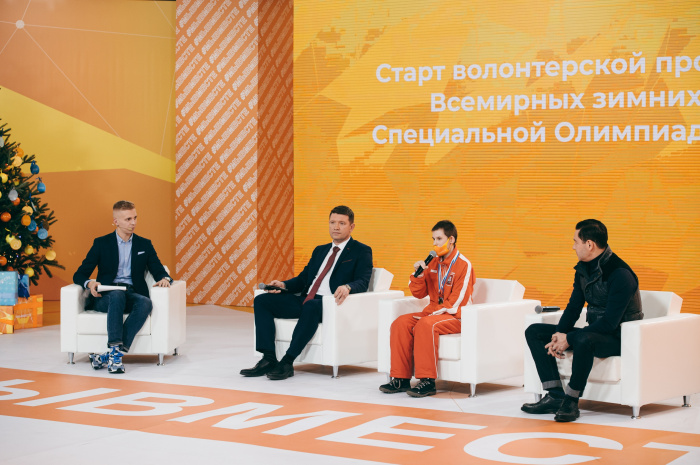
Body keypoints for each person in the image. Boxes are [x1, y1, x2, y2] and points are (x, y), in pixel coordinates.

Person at [521, 219, 642, 422]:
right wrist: (560, 334)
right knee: (534, 331)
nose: (573, 246)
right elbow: (574, 307)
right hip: (595, 332)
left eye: (576, 241)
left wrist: (569, 338)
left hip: (619, 338)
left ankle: (571, 401)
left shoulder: (620, 274)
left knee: (583, 339)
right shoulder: (584, 269)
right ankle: (555, 396)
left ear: (589, 244)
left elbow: (610, 323)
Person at [241, 205, 373, 380]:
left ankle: (287, 361)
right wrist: (283, 284)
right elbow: (304, 279)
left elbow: (363, 281)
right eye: (332, 222)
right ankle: (268, 359)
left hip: (330, 303)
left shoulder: (361, 250)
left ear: (351, 227)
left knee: (311, 306)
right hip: (306, 299)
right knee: (262, 301)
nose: (336, 227)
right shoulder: (320, 250)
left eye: (342, 223)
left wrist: (348, 287)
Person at [73, 200, 173, 374]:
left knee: (145, 302)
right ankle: (114, 352)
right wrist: (90, 283)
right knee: (116, 295)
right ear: (116, 221)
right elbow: (79, 274)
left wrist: (165, 278)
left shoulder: (144, 244)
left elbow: (158, 269)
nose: (133, 223)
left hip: (131, 293)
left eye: (135, 218)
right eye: (128, 219)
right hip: (106, 297)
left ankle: (111, 355)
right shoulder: (101, 243)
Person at [380, 220, 475, 397]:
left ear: (451, 239)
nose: (435, 244)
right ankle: (400, 378)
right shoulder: (432, 262)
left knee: (425, 325)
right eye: (433, 239)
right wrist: (418, 275)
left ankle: (427, 381)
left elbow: (457, 302)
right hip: (433, 313)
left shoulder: (464, 265)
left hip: (456, 316)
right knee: (400, 323)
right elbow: (418, 293)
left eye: (439, 239)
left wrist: (429, 315)